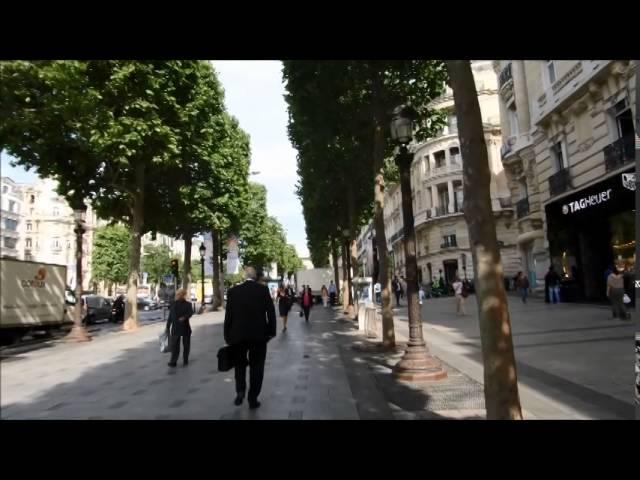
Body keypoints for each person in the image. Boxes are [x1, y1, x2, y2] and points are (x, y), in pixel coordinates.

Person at [224, 266, 276, 410]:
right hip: (259, 336)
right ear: (255, 276)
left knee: (239, 366)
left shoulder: (233, 292)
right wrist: (271, 331)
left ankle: (240, 391)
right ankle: (253, 398)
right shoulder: (263, 290)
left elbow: (229, 316)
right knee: (257, 367)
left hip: (237, 335)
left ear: (243, 276)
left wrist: (227, 335)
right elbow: (270, 312)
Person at [165, 288, 194, 368]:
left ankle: (185, 359)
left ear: (183, 295)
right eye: (177, 294)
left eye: (179, 294)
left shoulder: (188, 304)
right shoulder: (173, 304)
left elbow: (190, 313)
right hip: (175, 328)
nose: (177, 296)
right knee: (175, 346)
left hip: (185, 327)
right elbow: (170, 316)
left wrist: (184, 317)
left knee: (186, 345)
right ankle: (173, 362)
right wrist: (167, 326)